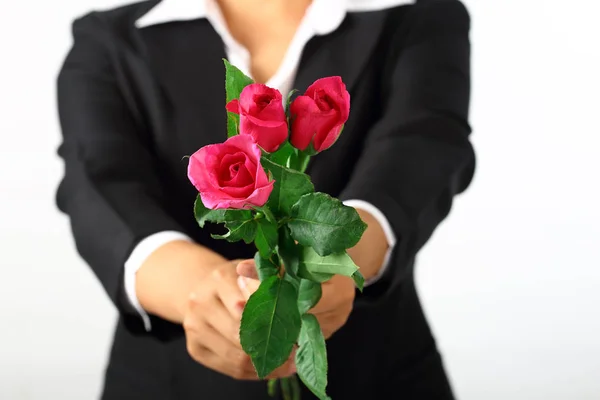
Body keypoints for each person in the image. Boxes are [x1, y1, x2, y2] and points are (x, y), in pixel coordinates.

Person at [55, 0, 474, 398]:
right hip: (167, 382)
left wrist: (334, 261)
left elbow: (422, 149)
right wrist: (206, 294)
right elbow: (99, 185)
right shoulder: (110, 40)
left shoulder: (417, 16)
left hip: (377, 375)